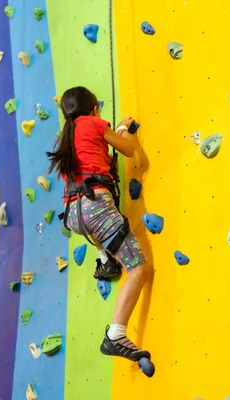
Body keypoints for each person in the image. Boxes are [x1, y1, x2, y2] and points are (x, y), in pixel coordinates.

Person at [46, 86, 151, 362]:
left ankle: (105, 260)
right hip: (96, 209)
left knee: (96, 228)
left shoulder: (65, 139)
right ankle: (116, 333)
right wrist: (123, 130)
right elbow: (128, 149)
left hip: (73, 213)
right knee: (139, 268)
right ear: (94, 109)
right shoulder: (94, 122)